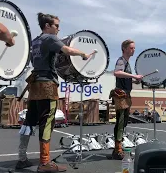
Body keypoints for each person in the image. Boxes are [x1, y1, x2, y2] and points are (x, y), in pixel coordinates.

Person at [15, 12, 92, 172]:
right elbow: (67, 50)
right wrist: (83, 54)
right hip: (47, 86)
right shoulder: (50, 38)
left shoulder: (35, 42)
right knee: (47, 122)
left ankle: (21, 158)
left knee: (29, 121)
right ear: (47, 26)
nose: (59, 28)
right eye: (56, 25)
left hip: (35, 85)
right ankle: (44, 163)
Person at [109, 39, 143, 160]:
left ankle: (118, 147)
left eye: (134, 48)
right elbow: (117, 73)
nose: (133, 50)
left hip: (126, 95)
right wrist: (134, 76)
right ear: (124, 49)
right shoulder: (121, 61)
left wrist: (134, 80)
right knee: (121, 121)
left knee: (124, 121)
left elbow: (124, 77)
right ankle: (117, 149)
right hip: (121, 96)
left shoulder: (127, 64)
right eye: (131, 48)